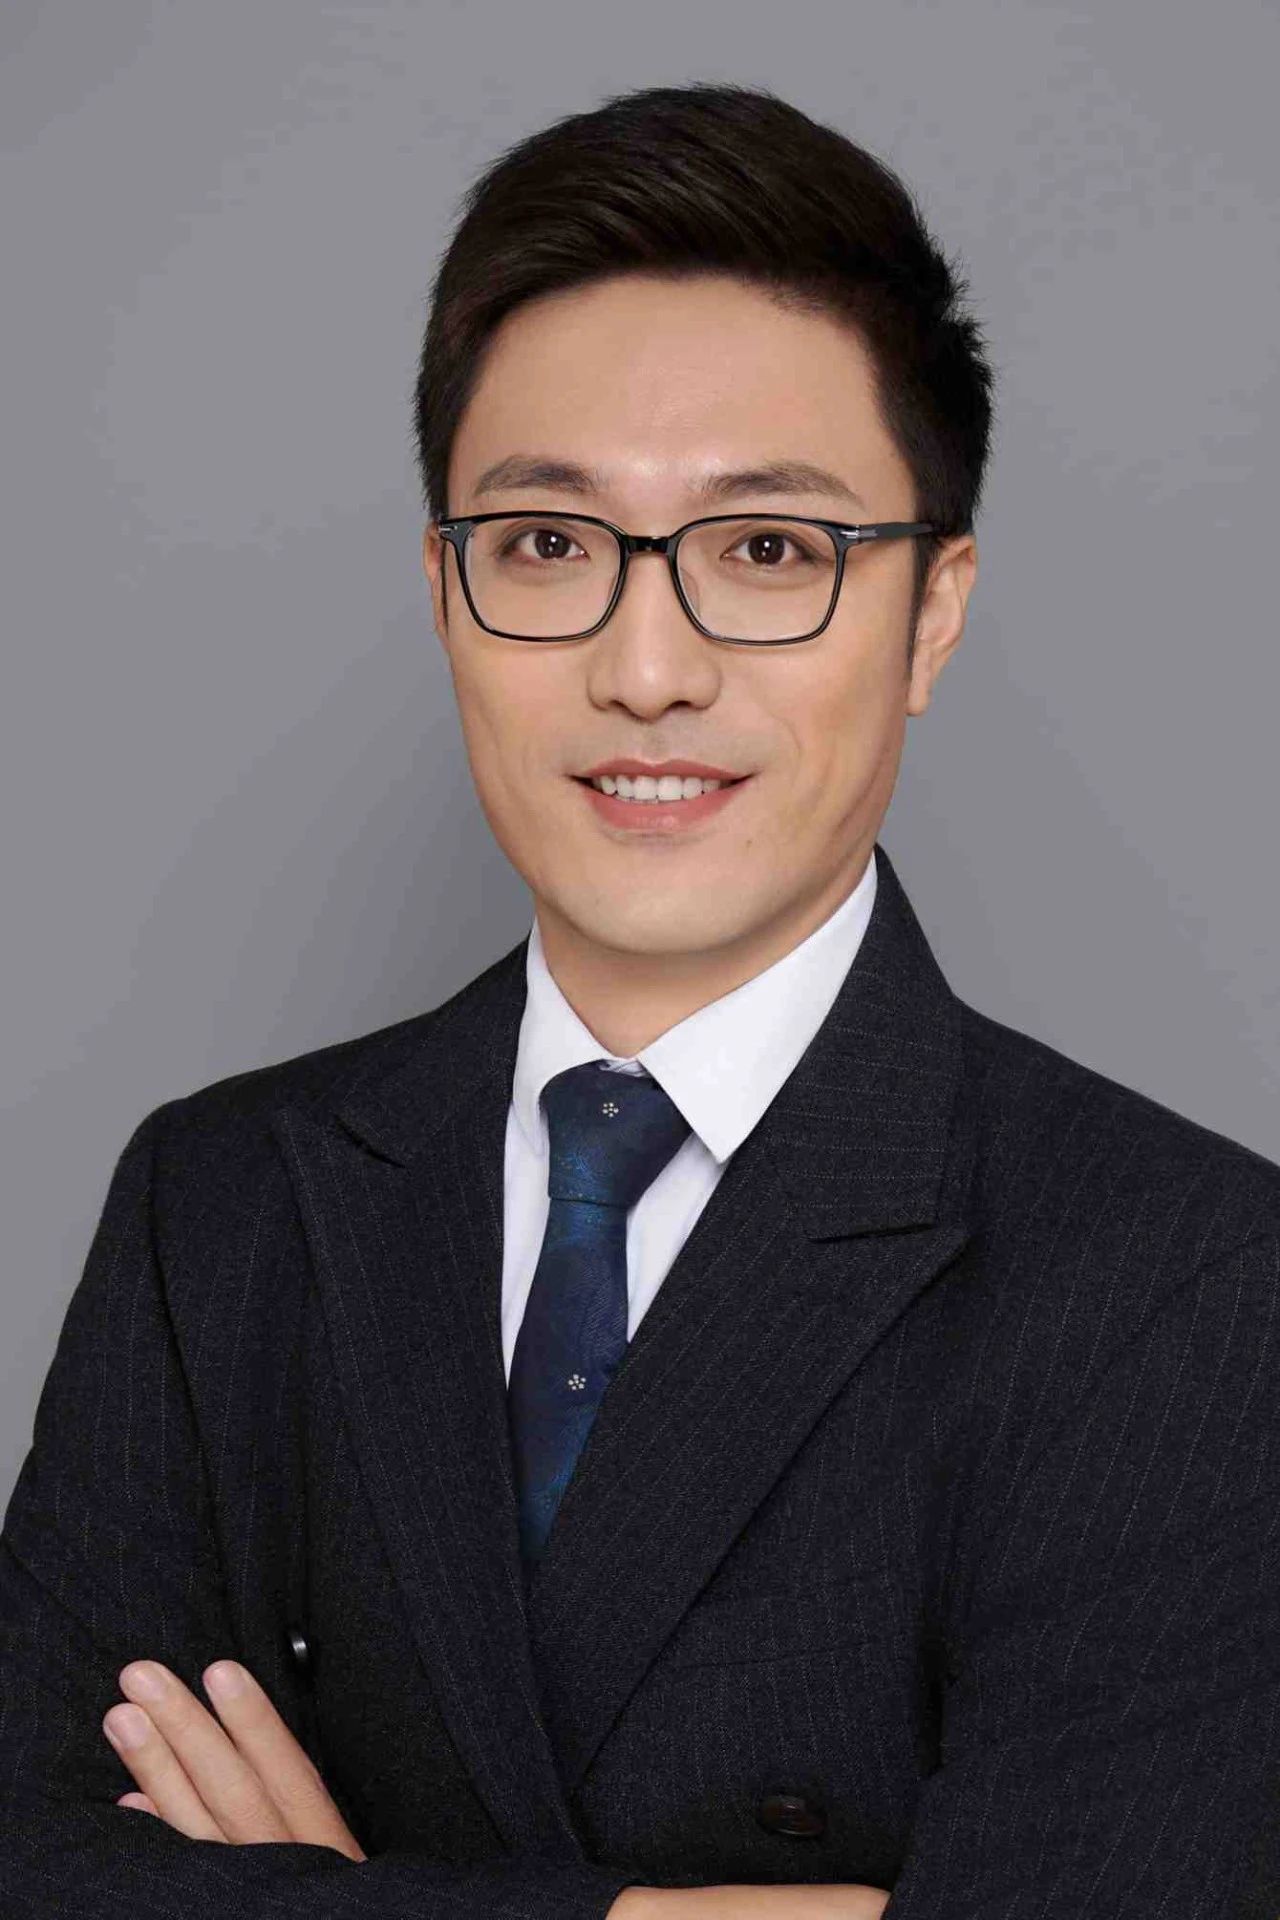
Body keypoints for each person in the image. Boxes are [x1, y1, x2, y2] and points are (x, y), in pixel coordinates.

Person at [1, 78, 1277, 1920]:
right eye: (546, 544)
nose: (647, 667)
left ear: (930, 616)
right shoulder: (224, 1203)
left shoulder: (1190, 1279)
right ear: (446, 594)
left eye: (769, 551)